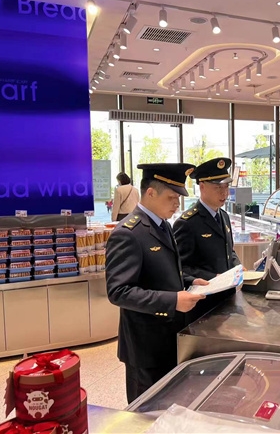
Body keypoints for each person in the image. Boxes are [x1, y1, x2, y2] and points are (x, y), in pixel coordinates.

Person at [105, 163, 210, 403]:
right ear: (151, 193)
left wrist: (191, 281)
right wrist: (173, 301)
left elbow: (162, 271)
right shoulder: (128, 233)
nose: (177, 204)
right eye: (172, 197)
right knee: (147, 411)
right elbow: (118, 291)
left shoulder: (164, 225)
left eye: (178, 198)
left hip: (168, 339)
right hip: (145, 346)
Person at [173, 157, 241, 321]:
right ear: (202, 186)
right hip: (203, 305)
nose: (224, 193)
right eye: (218, 187)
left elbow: (228, 250)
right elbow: (180, 267)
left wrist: (238, 266)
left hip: (227, 298)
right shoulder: (188, 223)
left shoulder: (223, 216)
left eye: (226, 187)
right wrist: (212, 277)